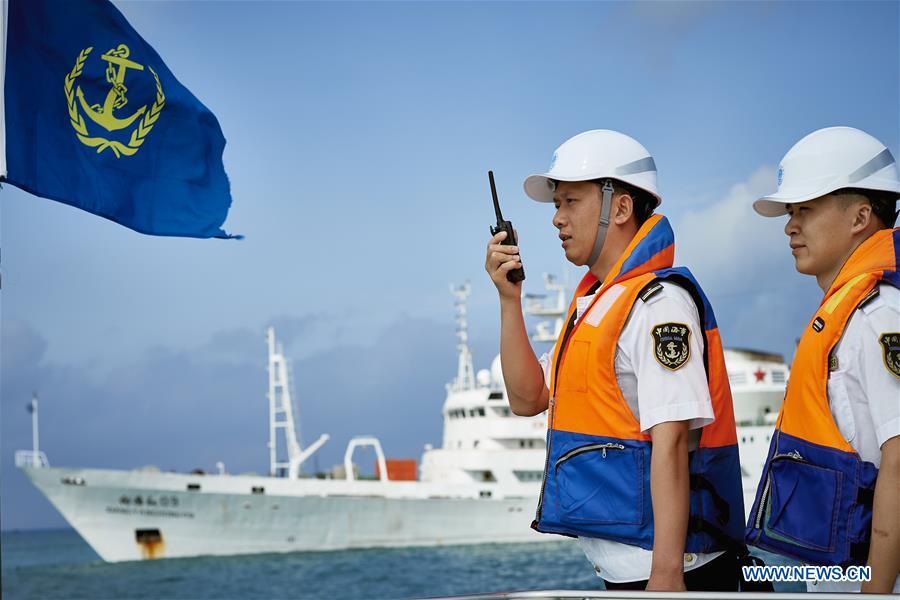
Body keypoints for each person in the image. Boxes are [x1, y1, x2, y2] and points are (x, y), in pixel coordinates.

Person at [485, 130, 745, 591]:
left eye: (570, 202)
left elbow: (670, 441)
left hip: (675, 574)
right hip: (632, 575)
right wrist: (510, 300)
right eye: (556, 206)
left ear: (620, 208)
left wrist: (665, 578)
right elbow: (528, 398)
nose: (557, 219)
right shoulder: (594, 304)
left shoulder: (659, 305)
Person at [746, 126, 900, 593]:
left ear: (859, 217)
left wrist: (875, 591)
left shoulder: (879, 316)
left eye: (805, 210)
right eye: (790, 212)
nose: (790, 226)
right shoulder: (852, 312)